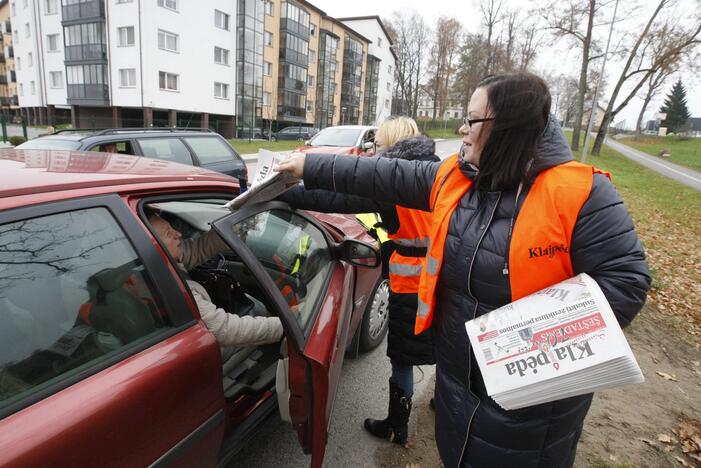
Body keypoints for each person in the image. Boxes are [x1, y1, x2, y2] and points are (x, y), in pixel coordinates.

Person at [276, 72, 651, 467]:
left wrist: (514, 349)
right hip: (457, 397)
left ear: (506, 127)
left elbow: (625, 286)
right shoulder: (457, 178)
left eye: (472, 120)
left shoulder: (582, 194)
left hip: (527, 413)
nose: (462, 129)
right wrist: (304, 166)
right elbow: (377, 176)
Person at [278, 117, 438, 446]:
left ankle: (397, 426)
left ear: (391, 143)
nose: (375, 149)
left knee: (404, 359)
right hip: (445, 275)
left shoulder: (390, 182)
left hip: (412, 281)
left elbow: (337, 199)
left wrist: (289, 195)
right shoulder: (436, 170)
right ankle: (444, 402)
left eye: (378, 144)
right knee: (445, 345)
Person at [148, 213, 284, 348]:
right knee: (255, 308)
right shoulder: (171, 289)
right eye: (168, 233)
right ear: (152, 246)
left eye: (172, 228)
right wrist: (285, 326)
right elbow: (225, 330)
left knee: (251, 302)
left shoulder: (157, 263)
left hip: (201, 329)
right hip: (207, 345)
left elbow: (196, 249)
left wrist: (236, 226)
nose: (178, 234)